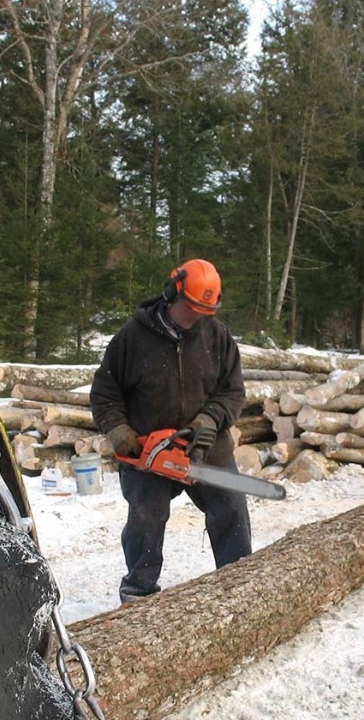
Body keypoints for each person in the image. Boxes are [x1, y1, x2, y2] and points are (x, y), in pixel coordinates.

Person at [90, 258, 252, 604]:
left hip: (207, 447)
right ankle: (138, 591)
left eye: (204, 311)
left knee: (232, 507)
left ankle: (239, 585)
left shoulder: (217, 336)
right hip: (148, 451)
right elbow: (105, 393)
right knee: (146, 517)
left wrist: (210, 421)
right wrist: (119, 431)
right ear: (171, 294)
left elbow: (233, 391)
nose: (197, 318)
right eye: (191, 309)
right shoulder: (132, 338)